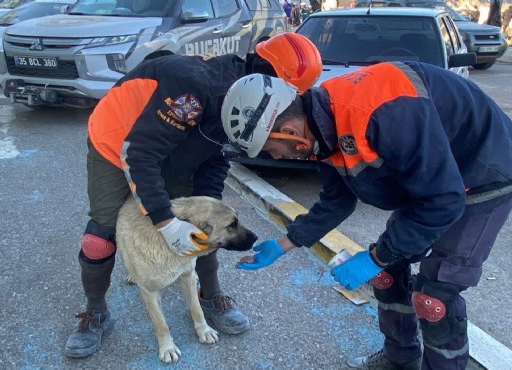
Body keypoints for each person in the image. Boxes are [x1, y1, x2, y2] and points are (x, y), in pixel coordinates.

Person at [221, 61, 512, 369]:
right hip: (432, 178)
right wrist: (286, 242)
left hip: (487, 169)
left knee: (435, 297)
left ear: (290, 131)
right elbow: (337, 200)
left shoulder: (381, 115)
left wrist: (377, 256)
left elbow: (443, 199)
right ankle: (400, 358)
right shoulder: (322, 126)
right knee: (386, 274)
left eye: (271, 149)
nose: (275, 157)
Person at [64, 32, 322, 358]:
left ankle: (209, 295)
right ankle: (96, 311)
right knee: (100, 237)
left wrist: (209, 209)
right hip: (117, 145)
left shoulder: (252, 108)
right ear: (269, 79)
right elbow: (140, 156)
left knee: (207, 223)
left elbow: (216, 159)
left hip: (173, 149)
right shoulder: (195, 89)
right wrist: (166, 222)